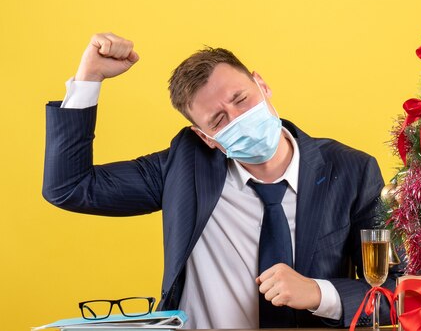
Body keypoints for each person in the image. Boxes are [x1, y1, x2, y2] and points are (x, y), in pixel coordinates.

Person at [43, 33, 401, 329]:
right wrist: (89, 78)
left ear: (261, 84)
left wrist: (319, 293)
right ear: (206, 137)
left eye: (241, 99)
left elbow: (397, 293)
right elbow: (70, 188)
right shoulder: (183, 168)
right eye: (218, 119)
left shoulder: (352, 171)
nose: (238, 118)